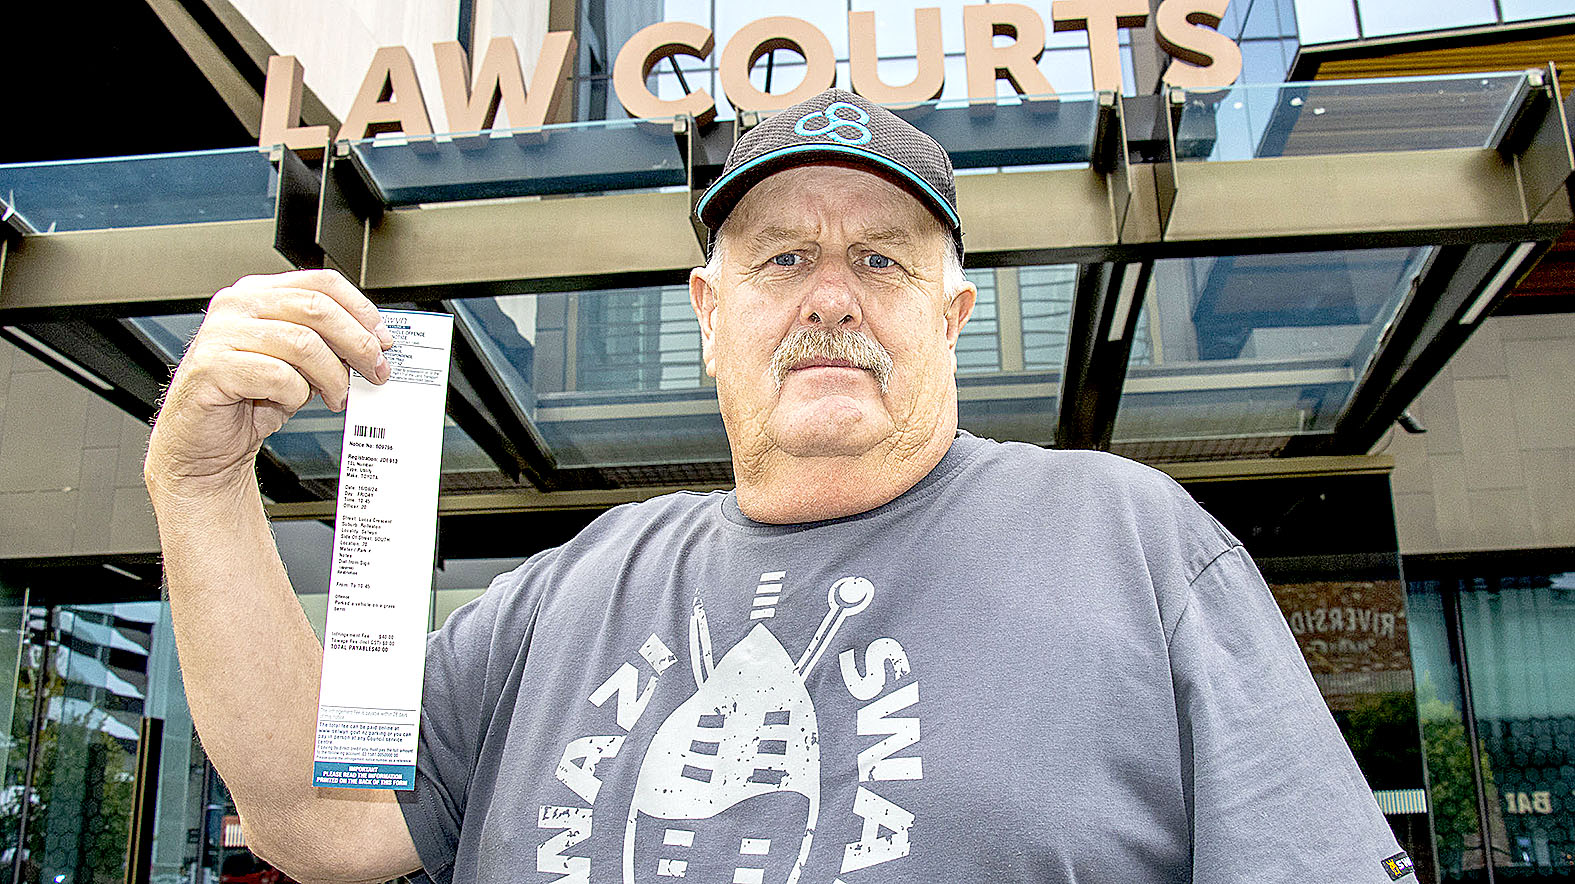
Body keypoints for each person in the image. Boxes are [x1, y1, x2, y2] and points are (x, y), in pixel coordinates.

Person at [144, 89, 1414, 884]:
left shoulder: (1141, 551)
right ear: (708, 312)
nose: (830, 294)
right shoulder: (562, 595)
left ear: (956, 313)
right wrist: (199, 484)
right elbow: (314, 820)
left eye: (882, 257)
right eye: (783, 254)